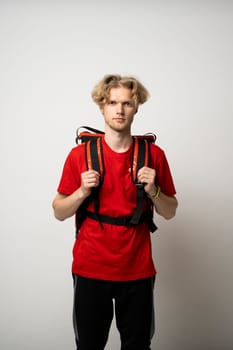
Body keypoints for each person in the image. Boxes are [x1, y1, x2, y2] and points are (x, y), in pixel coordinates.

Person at [52, 74, 178, 350]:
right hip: (90, 268)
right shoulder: (80, 155)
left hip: (138, 269)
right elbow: (59, 211)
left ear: (137, 106)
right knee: (89, 345)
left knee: (137, 346)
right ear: (101, 106)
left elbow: (170, 211)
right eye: (112, 103)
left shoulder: (153, 155)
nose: (119, 110)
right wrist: (82, 192)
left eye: (127, 103)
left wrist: (153, 190)